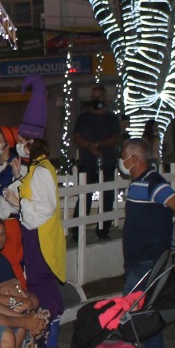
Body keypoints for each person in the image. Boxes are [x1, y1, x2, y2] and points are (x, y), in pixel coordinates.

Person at [3, 75, 66, 348]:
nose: (18, 145)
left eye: (21, 141)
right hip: (36, 237)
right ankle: (47, 344)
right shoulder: (37, 168)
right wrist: (19, 177)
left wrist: (19, 203)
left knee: (43, 290)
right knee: (43, 289)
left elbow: (43, 208)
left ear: (31, 142)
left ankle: (45, 346)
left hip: (40, 239)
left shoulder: (41, 171)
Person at [119, 138, 175, 348]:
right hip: (137, 260)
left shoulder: (154, 184)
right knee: (144, 313)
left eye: (123, 157)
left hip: (148, 261)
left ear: (133, 159)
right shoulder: (138, 184)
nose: (122, 162)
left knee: (135, 313)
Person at [72, 84, 120, 240]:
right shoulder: (83, 118)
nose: (95, 100)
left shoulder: (112, 118)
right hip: (87, 163)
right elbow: (77, 136)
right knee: (84, 197)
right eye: (93, 97)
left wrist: (99, 144)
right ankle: (77, 232)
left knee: (108, 197)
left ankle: (103, 231)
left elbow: (115, 138)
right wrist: (89, 146)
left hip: (108, 163)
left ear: (105, 99)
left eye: (98, 97)